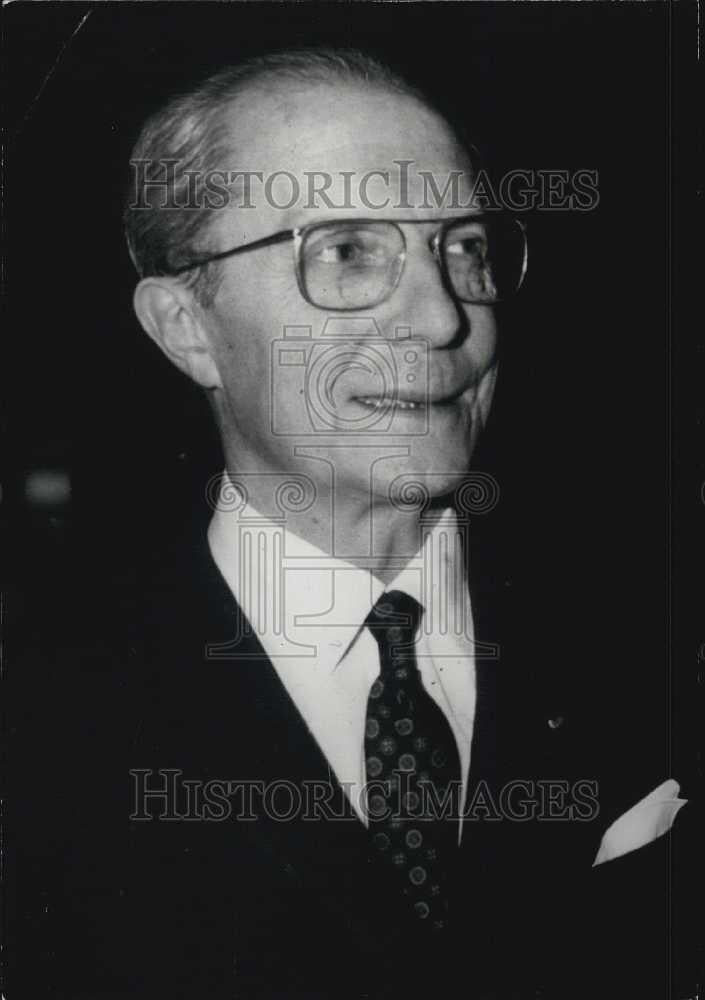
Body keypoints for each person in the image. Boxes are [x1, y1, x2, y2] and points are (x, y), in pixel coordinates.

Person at [8, 47, 693, 1000]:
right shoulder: (37, 707)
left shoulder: (656, 638)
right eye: (346, 250)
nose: (442, 317)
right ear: (186, 327)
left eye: (464, 247)